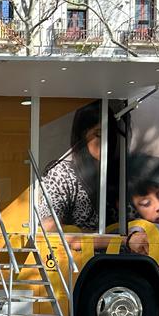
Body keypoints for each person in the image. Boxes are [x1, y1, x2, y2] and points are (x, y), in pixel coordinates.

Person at [37, 99, 125, 233]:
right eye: (99, 134)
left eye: (111, 133)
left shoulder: (119, 174)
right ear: (82, 136)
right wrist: (109, 240)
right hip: (76, 252)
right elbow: (49, 226)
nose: (107, 141)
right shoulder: (62, 174)